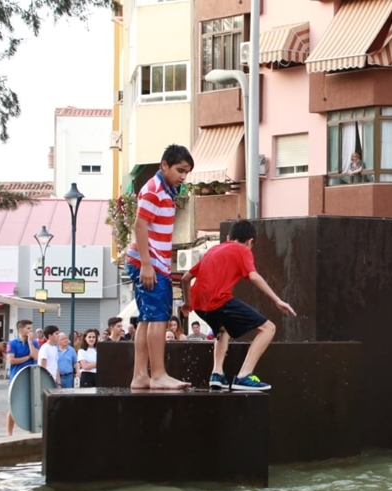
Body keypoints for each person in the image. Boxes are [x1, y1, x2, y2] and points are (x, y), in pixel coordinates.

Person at [181, 219, 297, 391]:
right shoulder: (243, 250)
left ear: (229, 237)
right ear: (250, 242)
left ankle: (217, 374)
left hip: (199, 304)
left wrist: (187, 302)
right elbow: (253, 276)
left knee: (223, 330)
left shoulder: (214, 249)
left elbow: (185, 278)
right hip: (219, 301)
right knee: (268, 328)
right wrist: (277, 299)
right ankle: (244, 376)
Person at [126, 144, 194, 390]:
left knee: (147, 319)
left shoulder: (164, 190)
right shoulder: (154, 189)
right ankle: (157, 374)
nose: (183, 176)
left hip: (153, 262)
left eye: (187, 172)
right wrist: (146, 264)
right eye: (180, 170)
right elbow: (139, 225)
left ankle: (140, 375)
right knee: (158, 318)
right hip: (150, 263)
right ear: (164, 165)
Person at [5, 320, 39, 436]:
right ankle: (9, 432)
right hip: (16, 376)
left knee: (31, 403)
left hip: (30, 376)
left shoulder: (34, 343)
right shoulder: (13, 343)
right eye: (28, 328)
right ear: (21, 330)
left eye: (31, 328)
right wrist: (26, 357)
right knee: (13, 405)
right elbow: (11, 360)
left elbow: (35, 356)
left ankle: (30, 430)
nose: (31, 331)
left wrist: (30, 343)